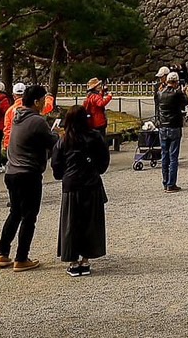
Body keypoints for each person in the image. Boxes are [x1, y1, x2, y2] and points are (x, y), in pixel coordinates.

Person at [0, 84, 55, 271]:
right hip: (28, 173)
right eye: (43, 99)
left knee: (15, 213)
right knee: (29, 216)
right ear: (36, 101)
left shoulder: (18, 116)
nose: (44, 103)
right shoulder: (37, 121)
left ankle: (3, 253)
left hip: (12, 172)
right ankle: (21, 258)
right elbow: (53, 142)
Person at [51, 105, 109, 278]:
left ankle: (73, 260)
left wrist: (63, 175)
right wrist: (95, 170)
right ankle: (86, 259)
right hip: (91, 183)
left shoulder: (64, 140)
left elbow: (56, 165)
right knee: (90, 222)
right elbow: (104, 160)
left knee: (71, 223)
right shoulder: (95, 137)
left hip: (72, 184)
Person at [154, 72, 188, 192]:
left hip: (163, 126)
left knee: (165, 155)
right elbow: (185, 103)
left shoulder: (160, 93)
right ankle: (171, 183)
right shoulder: (177, 93)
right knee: (173, 156)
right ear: (176, 82)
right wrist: (183, 92)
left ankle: (165, 181)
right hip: (174, 126)